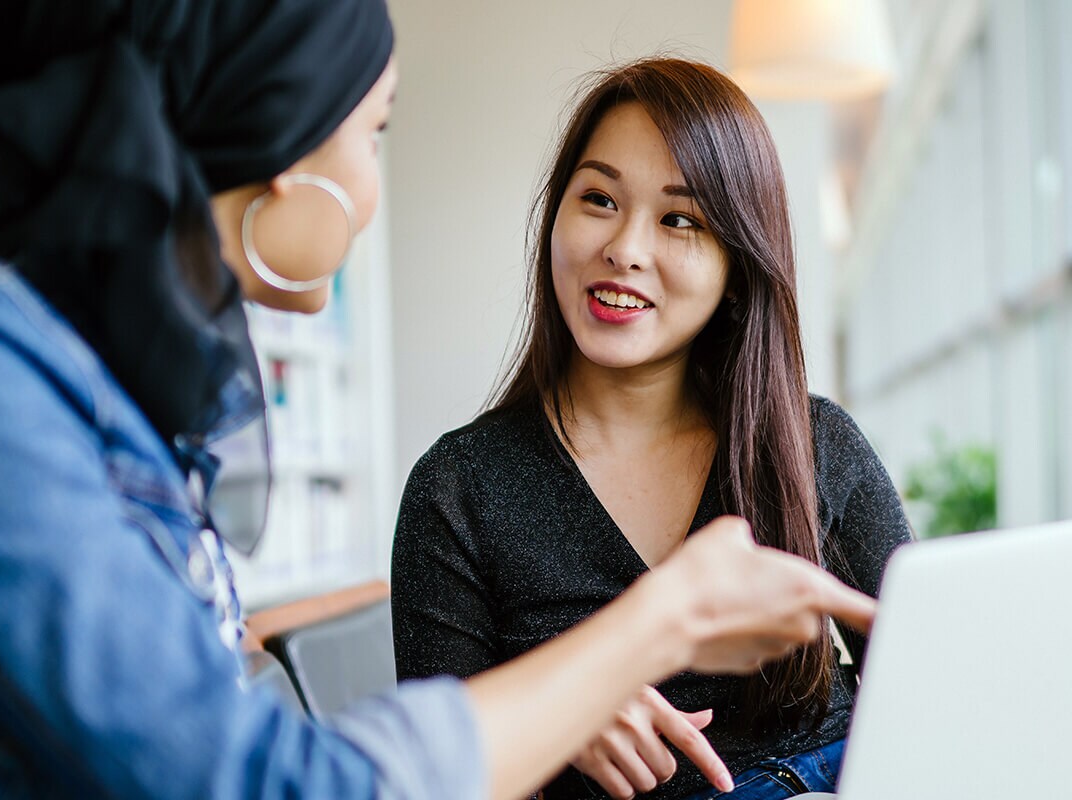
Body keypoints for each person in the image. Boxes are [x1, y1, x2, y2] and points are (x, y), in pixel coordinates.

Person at [0, 6, 878, 799]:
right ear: (281, 149)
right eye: (373, 133)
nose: (372, 188)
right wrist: (655, 622)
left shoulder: (113, 393)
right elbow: (264, 781)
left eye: (682, 221)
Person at [391, 58, 912, 800]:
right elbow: (436, 778)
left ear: (738, 263)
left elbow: (925, 683)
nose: (626, 249)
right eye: (599, 199)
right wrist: (558, 712)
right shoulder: (458, 490)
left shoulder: (814, 440)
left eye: (680, 219)